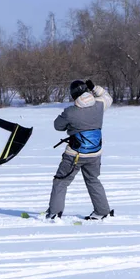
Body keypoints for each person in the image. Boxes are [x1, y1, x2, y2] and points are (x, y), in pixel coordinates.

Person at [46, 79, 114, 220]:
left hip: (75, 155)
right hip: (95, 153)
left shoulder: (70, 112)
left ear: (73, 95)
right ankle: (102, 211)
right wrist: (95, 88)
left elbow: (57, 126)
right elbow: (108, 97)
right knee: (93, 180)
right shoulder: (100, 105)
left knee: (61, 181)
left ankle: (54, 213)